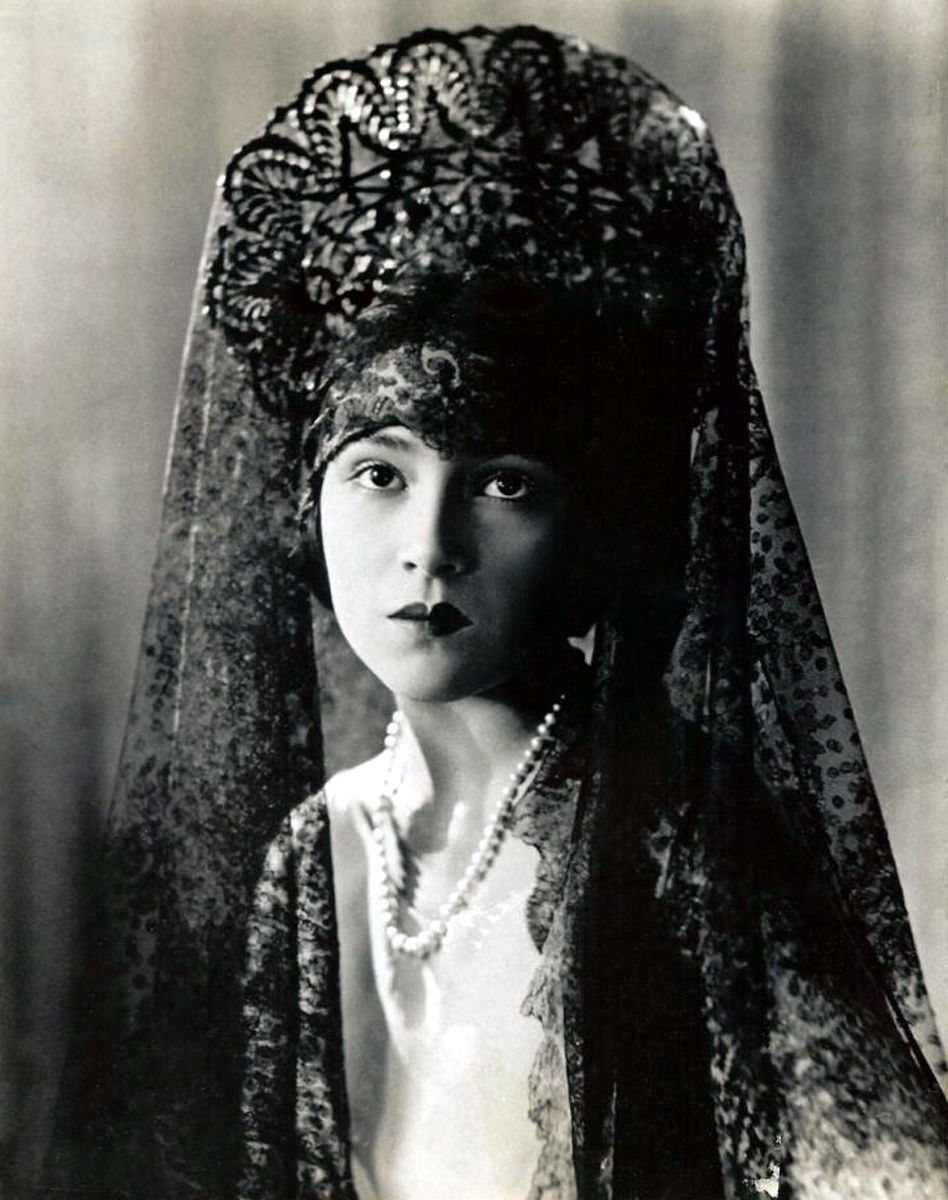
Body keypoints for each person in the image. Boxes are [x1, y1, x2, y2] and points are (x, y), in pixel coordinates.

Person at [42, 25, 948, 1200]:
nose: (429, 545)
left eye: (504, 485)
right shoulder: (313, 855)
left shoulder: (683, 846)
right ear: (305, 508)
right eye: (379, 473)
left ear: (591, 529)